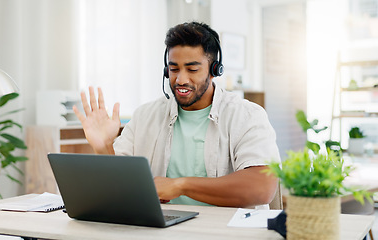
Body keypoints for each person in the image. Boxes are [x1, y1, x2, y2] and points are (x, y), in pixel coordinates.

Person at [73, 21, 280, 208]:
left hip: (225, 232)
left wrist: (181, 185)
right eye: (174, 69)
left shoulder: (247, 115)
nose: (180, 79)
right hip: (163, 231)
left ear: (214, 70)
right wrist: (103, 146)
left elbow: (262, 187)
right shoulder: (146, 115)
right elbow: (120, 186)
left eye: (192, 69)